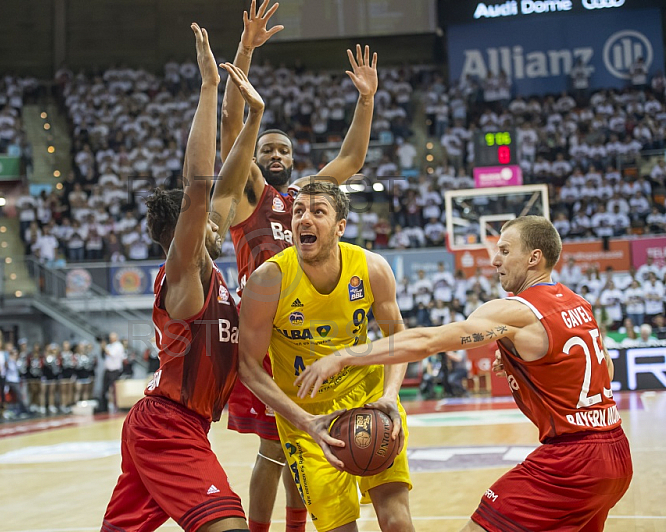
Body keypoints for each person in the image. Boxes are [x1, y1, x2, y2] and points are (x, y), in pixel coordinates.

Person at [297, 216, 633, 532]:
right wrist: (530, 362)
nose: (494, 260)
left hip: (572, 460)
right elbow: (606, 367)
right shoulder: (578, 303)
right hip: (617, 453)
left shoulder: (512, 311)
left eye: (504, 251)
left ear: (534, 258)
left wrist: (344, 356)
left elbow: (428, 341)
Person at [220, 2, 379, 528]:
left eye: (284, 149)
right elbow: (230, 126)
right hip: (262, 335)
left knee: (297, 451)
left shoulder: (306, 200)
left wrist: (366, 100)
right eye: (267, 148)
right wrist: (245, 51)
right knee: (271, 453)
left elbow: (352, 161)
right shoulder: (250, 198)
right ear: (255, 155)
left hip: (300, 337)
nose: (276, 153)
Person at [103, 24, 260, 532]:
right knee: (227, 525)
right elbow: (200, 187)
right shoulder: (185, 274)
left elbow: (229, 180)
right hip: (169, 426)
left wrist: (253, 114)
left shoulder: (207, 265)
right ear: (180, 236)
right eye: (205, 220)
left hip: (169, 423)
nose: (219, 219)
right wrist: (209, 87)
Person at [238, 181, 413, 532]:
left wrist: (390, 395)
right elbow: (247, 366)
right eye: (299, 211)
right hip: (308, 418)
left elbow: (398, 337)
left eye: (318, 212)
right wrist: (304, 422)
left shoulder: (371, 268)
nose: (305, 219)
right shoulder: (268, 280)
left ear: (340, 227)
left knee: (396, 519)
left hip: (370, 402)